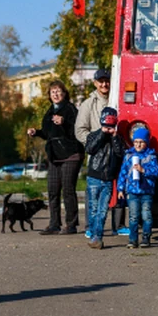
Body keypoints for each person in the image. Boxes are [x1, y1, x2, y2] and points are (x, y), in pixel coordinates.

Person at [27, 80, 83, 235]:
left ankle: (71, 225)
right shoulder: (49, 111)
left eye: (59, 91)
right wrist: (36, 132)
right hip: (54, 155)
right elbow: (47, 133)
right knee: (52, 190)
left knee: (68, 190)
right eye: (53, 92)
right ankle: (54, 224)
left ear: (64, 93)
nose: (56, 94)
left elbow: (77, 131)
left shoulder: (70, 109)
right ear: (49, 96)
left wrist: (64, 122)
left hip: (71, 154)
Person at [76, 68, 124, 237]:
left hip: (115, 152)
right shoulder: (88, 104)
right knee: (94, 196)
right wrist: (95, 141)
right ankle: (91, 227)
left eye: (107, 80)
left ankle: (118, 225)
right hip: (97, 155)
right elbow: (80, 130)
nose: (104, 84)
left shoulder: (119, 100)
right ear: (95, 83)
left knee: (118, 186)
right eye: (101, 81)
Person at [84, 107, 125, 249]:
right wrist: (102, 134)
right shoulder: (93, 135)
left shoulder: (118, 139)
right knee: (93, 209)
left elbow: (121, 154)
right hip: (94, 177)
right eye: (106, 125)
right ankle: (95, 235)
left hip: (108, 179)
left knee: (102, 210)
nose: (108, 128)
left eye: (111, 126)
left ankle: (98, 237)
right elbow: (90, 149)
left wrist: (114, 137)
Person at [117, 127, 158, 249]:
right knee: (133, 216)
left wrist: (144, 170)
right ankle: (133, 239)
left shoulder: (151, 157)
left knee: (146, 215)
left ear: (146, 143)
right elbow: (123, 173)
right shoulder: (129, 156)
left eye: (141, 142)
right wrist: (120, 189)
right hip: (132, 191)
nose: (138, 145)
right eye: (136, 142)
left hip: (146, 191)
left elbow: (156, 172)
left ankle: (146, 238)